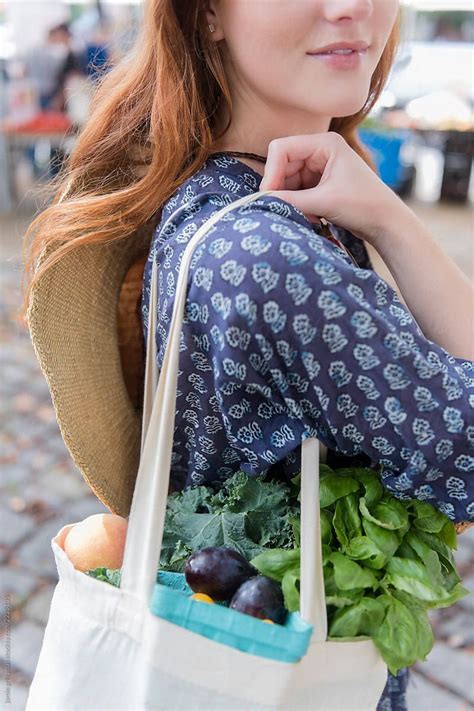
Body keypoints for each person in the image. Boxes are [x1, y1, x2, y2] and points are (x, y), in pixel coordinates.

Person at [20, 2, 473, 709]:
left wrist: (382, 211)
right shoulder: (269, 258)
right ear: (205, 16)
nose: (350, 6)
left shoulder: (226, 201)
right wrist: (392, 220)